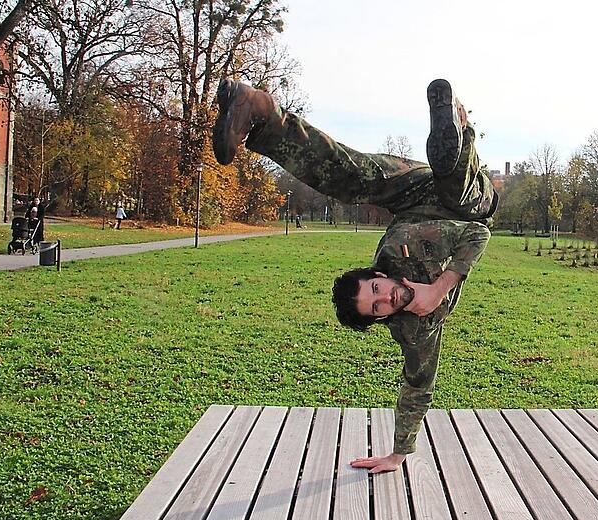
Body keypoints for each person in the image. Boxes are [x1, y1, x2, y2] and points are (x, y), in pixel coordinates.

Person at [213, 78, 497, 474]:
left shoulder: (401, 250)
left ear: (379, 274)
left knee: (357, 177)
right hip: (474, 205)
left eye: (377, 289)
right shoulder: (415, 329)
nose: (388, 298)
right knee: (457, 189)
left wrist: (439, 287)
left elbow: (475, 239)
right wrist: (398, 454)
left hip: (416, 199)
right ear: (382, 319)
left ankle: (264, 114)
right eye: (379, 307)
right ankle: (458, 139)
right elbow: (417, 386)